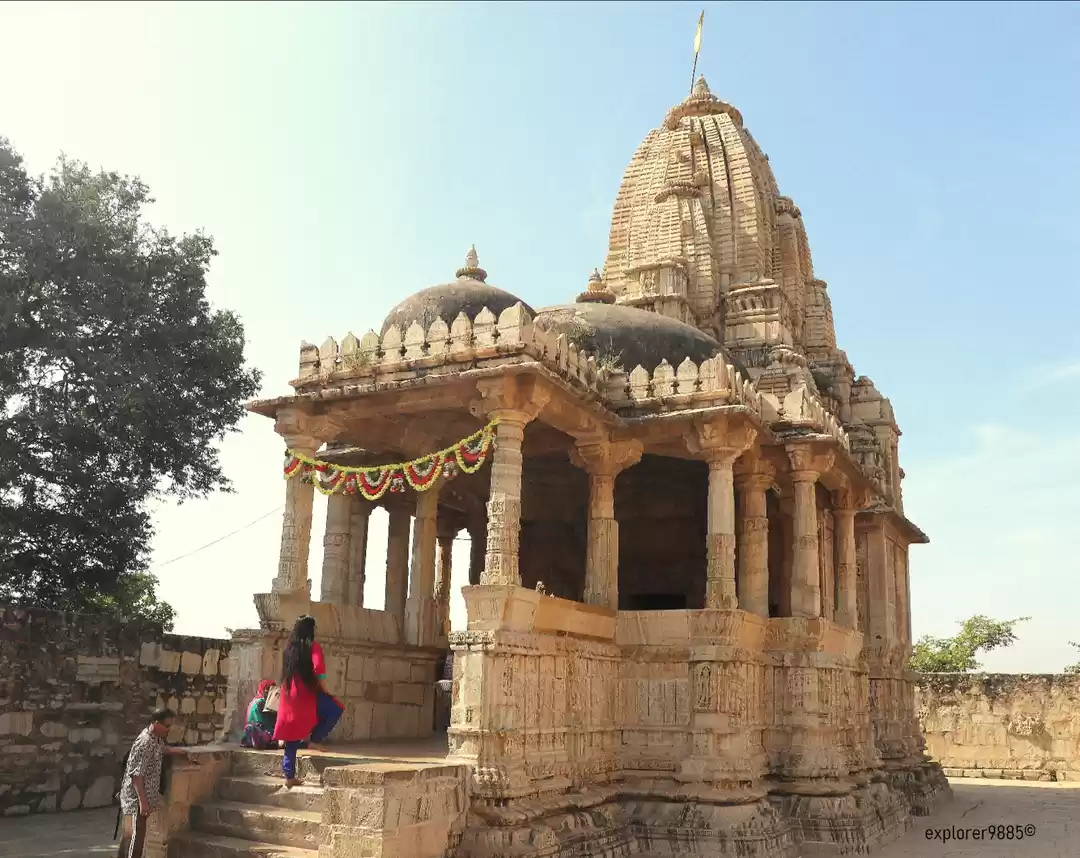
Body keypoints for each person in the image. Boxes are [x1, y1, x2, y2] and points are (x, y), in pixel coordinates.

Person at [273, 615, 343, 786]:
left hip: (289, 693)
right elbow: (319, 670)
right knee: (336, 708)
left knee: (292, 735)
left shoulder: (289, 649)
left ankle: (289, 776)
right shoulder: (313, 646)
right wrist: (327, 691)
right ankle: (316, 739)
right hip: (306, 694)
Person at [116, 708, 189, 858]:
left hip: (146, 795)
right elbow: (137, 775)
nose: (169, 730)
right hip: (137, 796)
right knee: (138, 835)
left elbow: (161, 749)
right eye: (167, 726)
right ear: (156, 723)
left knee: (142, 834)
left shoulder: (156, 738)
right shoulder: (144, 742)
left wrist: (180, 751)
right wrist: (143, 802)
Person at [241, 680, 281, 750]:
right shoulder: (258, 703)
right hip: (259, 729)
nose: (269, 692)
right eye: (267, 689)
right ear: (262, 689)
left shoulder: (272, 703)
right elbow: (257, 722)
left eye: (272, 689)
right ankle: (260, 740)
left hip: (269, 732)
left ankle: (263, 741)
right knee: (253, 729)